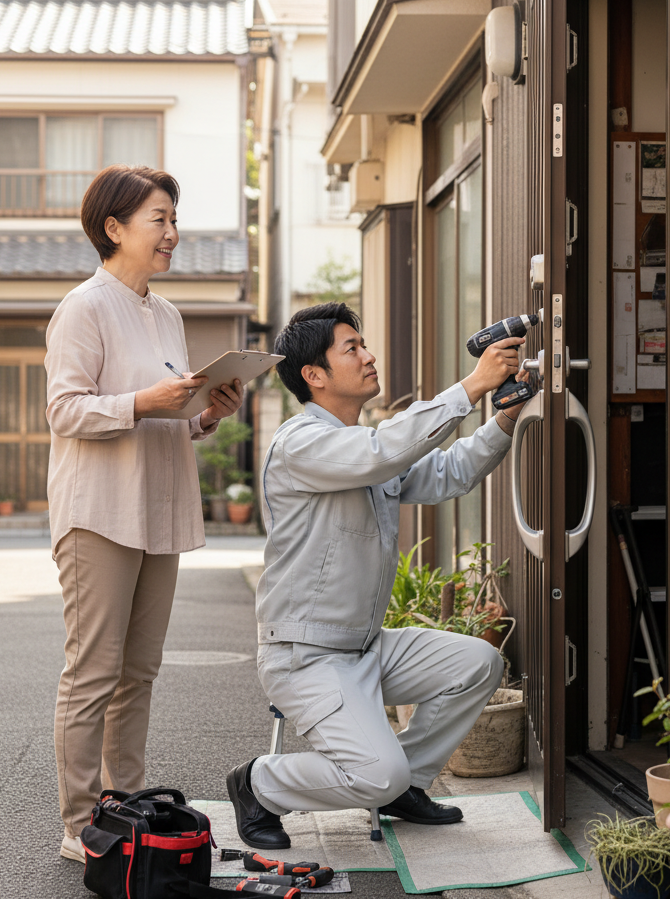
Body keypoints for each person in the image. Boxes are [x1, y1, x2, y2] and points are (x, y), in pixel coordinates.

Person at [226, 302, 533, 849]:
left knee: (478, 663)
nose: (368, 356)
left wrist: (505, 417)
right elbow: (381, 451)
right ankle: (259, 783)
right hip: (307, 656)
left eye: (363, 344)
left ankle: (402, 783)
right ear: (314, 376)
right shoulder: (302, 443)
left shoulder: (362, 448)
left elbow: (447, 473)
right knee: (374, 771)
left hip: (366, 648)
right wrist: (473, 384)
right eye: (352, 348)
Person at [46, 164, 244, 862]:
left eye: (172, 219)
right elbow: (65, 409)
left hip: (154, 510)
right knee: (93, 671)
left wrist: (204, 413)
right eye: (158, 219)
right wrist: (144, 403)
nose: (172, 233)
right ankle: (78, 826)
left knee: (139, 672)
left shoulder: (165, 313)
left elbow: (171, 412)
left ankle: (120, 805)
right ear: (114, 228)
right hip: (97, 514)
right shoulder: (84, 307)